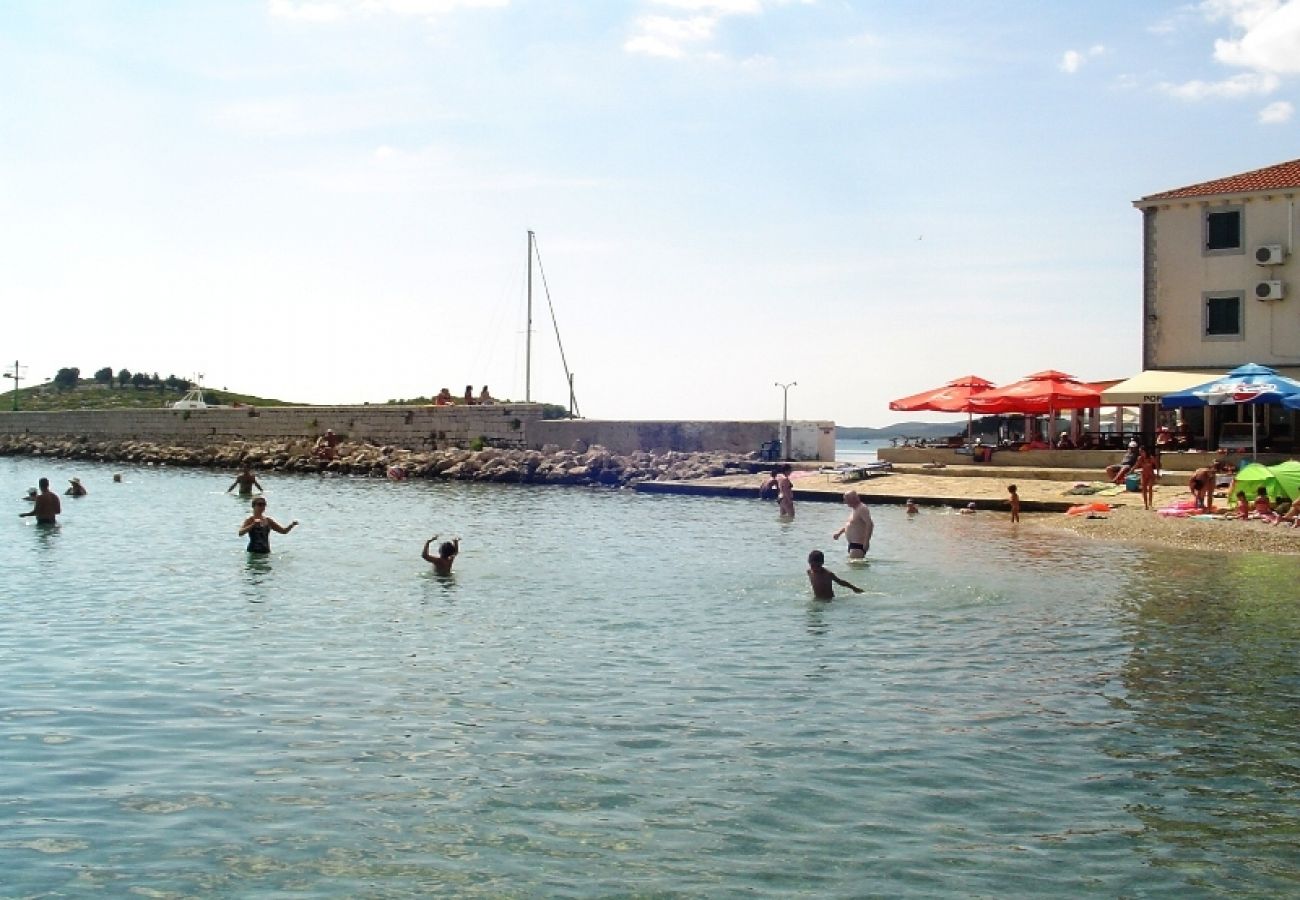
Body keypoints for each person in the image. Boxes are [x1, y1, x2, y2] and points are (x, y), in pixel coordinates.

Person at [832, 490, 874, 559]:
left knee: (856, 568)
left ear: (854, 499)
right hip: (852, 544)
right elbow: (850, 525)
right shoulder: (855, 509)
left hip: (858, 545)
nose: (845, 502)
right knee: (853, 567)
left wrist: (867, 542)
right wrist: (839, 533)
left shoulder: (862, 508)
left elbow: (870, 524)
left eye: (846, 500)